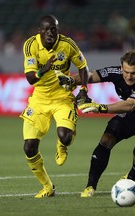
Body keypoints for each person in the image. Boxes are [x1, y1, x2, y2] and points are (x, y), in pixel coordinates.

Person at [62, 50, 135, 197]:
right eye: (126, 72)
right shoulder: (115, 72)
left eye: (133, 73)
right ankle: (90, 186)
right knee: (106, 140)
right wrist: (70, 80)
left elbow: (131, 104)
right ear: (121, 68)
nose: (129, 76)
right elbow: (92, 76)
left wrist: (101, 108)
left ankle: (130, 178)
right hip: (133, 116)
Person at [20, 14, 90, 198]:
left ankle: (62, 145)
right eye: (46, 29)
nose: (50, 32)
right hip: (39, 100)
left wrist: (83, 89)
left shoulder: (67, 44)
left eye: (54, 29)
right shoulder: (31, 45)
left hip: (62, 97)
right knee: (29, 147)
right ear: (39, 31)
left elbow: (83, 67)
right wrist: (44, 69)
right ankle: (48, 187)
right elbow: (30, 79)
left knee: (65, 136)